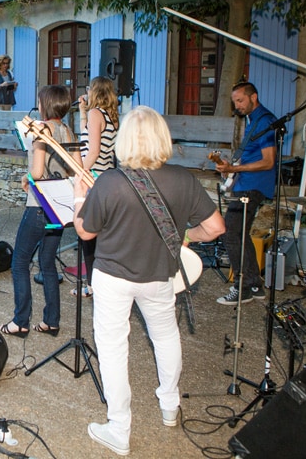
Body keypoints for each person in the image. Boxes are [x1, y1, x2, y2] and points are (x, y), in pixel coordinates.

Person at [72, 106, 225, 456]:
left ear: (125, 139)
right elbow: (216, 228)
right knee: (166, 336)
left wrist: (80, 194)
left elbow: (85, 230)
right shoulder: (184, 179)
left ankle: (119, 427)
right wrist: (187, 237)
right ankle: (169, 406)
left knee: (113, 348)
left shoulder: (110, 181)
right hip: (159, 275)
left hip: (113, 275)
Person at [1, 84, 79, 337]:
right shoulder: (68, 131)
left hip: (39, 207)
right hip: (59, 209)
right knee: (47, 263)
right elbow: (76, 169)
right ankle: (51, 321)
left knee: (20, 263)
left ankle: (20, 321)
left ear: (45, 103)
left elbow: (36, 172)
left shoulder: (41, 130)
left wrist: (26, 176)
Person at [213, 82, 278, 305]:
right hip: (246, 183)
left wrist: (235, 169)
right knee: (240, 234)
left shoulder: (266, 121)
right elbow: (250, 156)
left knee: (229, 231)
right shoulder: (254, 121)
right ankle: (254, 284)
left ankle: (242, 287)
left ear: (253, 97)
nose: (237, 106)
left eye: (240, 100)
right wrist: (229, 169)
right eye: (235, 102)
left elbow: (268, 162)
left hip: (254, 185)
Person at [74, 76, 120, 298]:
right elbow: (87, 136)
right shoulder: (109, 116)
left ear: (95, 90)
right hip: (107, 177)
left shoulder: (96, 114)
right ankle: (97, 282)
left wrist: (80, 174)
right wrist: (83, 110)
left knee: (88, 234)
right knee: (101, 235)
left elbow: (92, 151)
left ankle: (92, 284)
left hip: (93, 178)